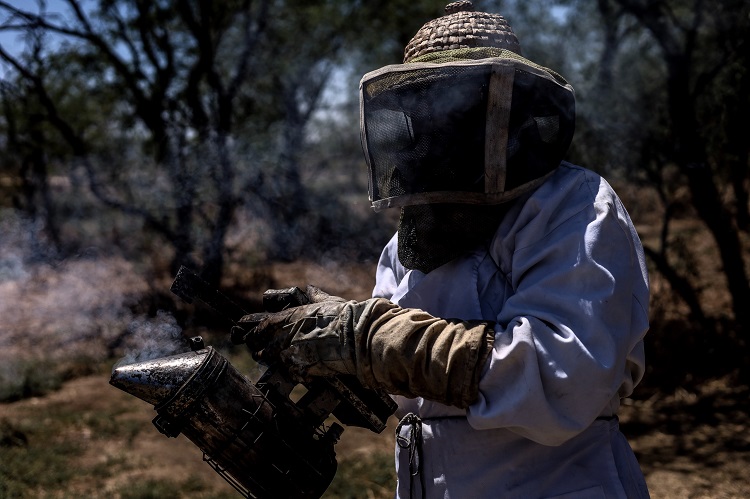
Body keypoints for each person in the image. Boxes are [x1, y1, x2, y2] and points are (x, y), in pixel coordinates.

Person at [241, 2, 651, 497]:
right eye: (424, 108)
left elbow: (562, 377)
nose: (437, 125)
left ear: (503, 107)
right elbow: (405, 378)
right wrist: (336, 343)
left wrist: (369, 337)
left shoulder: (571, 205)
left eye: (457, 105)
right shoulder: (408, 240)